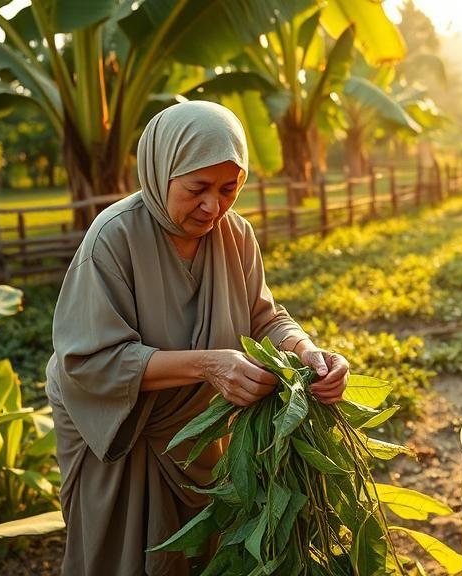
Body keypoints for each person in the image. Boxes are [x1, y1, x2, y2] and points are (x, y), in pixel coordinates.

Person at [45, 101, 349, 575]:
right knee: (125, 557)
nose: (214, 206)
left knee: (202, 552)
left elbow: (264, 318)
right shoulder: (113, 239)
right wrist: (209, 365)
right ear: (160, 170)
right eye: (197, 189)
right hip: (124, 434)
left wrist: (308, 352)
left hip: (200, 435)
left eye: (230, 189)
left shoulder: (236, 236)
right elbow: (88, 362)